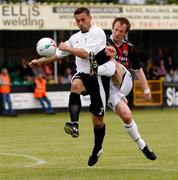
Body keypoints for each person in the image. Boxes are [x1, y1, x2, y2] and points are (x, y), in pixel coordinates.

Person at [29, 7, 116, 166]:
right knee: (75, 84)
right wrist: (38, 62)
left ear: (90, 18)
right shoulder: (74, 37)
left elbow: (86, 54)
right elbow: (57, 55)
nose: (80, 23)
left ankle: (97, 148)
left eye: (83, 19)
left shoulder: (98, 33)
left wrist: (67, 47)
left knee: (97, 122)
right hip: (83, 74)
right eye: (77, 20)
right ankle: (74, 125)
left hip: (98, 77)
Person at [90, 17, 157, 160]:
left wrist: (146, 90)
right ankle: (143, 146)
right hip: (108, 88)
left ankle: (97, 72)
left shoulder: (130, 48)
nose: (117, 33)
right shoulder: (103, 43)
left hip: (124, 82)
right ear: (111, 28)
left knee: (115, 65)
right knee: (126, 116)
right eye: (115, 29)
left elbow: (138, 70)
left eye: (121, 31)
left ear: (125, 33)